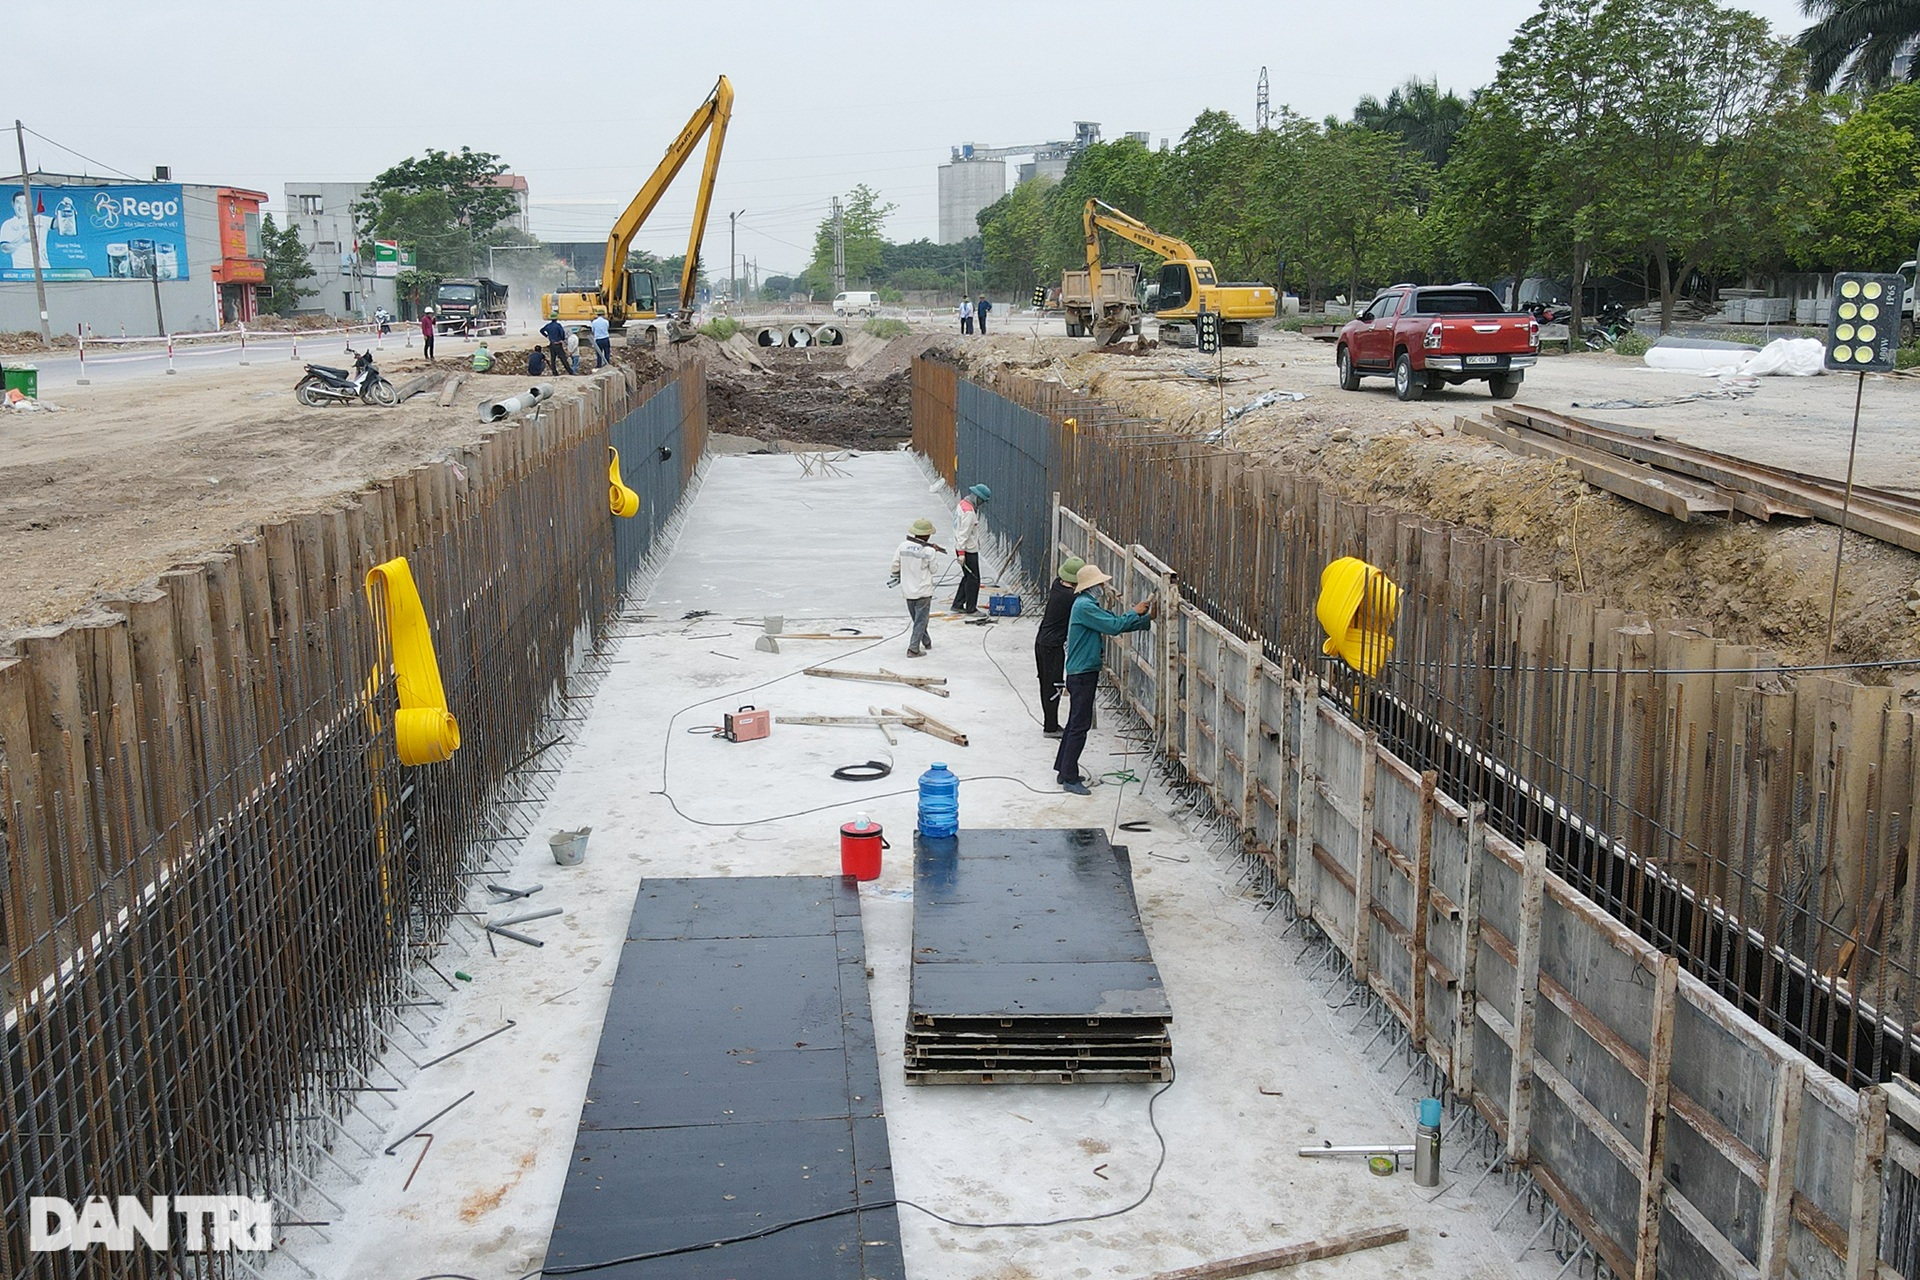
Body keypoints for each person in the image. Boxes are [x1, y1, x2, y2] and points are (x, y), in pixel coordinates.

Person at [1055, 563, 1155, 794]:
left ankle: (1064, 769)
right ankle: (1069, 778)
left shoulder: (1086, 604)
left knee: (1074, 723)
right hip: (1082, 674)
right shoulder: (1084, 606)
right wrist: (1136, 613)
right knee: (1080, 725)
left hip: (1080, 671)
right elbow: (1113, 625)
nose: (1103, 586)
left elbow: (1111, 620)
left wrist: (1144, 619)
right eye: (1100, 583)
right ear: (1092, 586)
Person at [1034, 557, 1085, 738]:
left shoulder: (1057, 585)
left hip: (1041, 642)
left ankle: (1050, 723)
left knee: (1045, 683)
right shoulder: (1069, 597)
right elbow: (1083, 599)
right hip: (1052, 646)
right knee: (1054, 686)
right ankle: (1050, 727)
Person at [889, 518, 946, 658]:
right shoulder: (929, 551)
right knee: (921, 620)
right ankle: (913, 649)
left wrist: (900, 574)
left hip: (908, 590)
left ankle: (926, 641)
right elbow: (934, 570)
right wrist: (933, 552)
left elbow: (895, 566)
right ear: (928, 535)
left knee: (918, 619)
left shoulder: (902, 546)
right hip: (923, 590)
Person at [950, 483, 991, 613]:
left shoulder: (962, 504)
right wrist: (962, 553)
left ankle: (958, 604)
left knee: (968, 577)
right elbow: (964, 533)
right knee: (974, 579)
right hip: (967, 550)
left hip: (961, 547)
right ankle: (971, 609)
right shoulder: (969, 513)